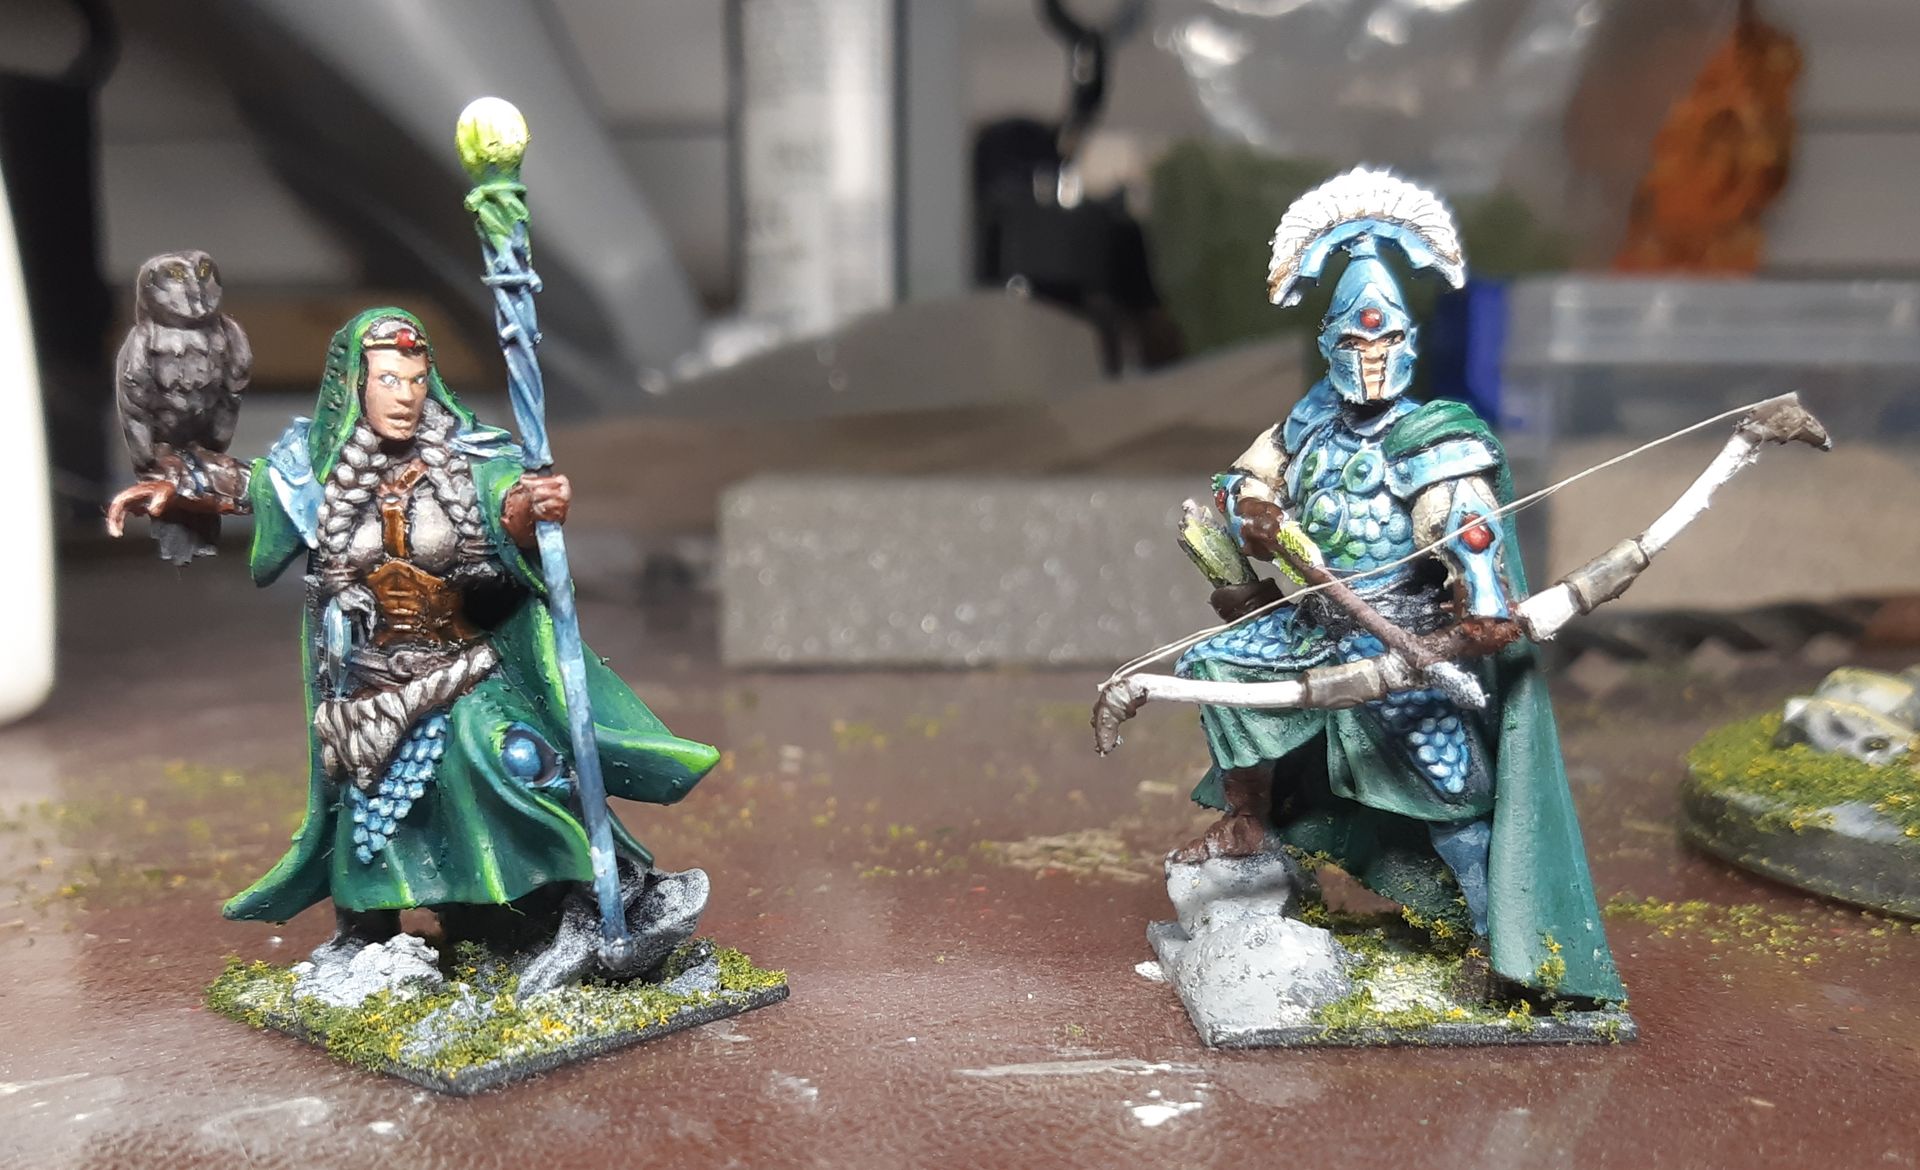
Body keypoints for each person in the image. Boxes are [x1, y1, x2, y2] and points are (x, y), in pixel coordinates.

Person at [109, 308, 718, 976]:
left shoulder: (471, 458)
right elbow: (255, 484)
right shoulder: (318, 469)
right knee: (370, 816)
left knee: (518, 761)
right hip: (369, 686)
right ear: (356, 385)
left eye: (417, 379)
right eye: (389, 380)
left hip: (463, 669)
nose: (405, 395)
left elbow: (506, 505)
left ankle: (592, 898)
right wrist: (180, 486)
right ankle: (367, 936)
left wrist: (532, 507)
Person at [1171, 171, 1625, 1005]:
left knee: (1452, 797)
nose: (1371, 359)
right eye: (1354, 343)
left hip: (1403, 649)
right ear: (1329, 342)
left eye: (1385, 343)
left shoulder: (1435, 445)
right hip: (1313, 627)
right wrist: (1254, 510)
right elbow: (1239, 480)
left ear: (1410, 343)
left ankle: (1501, 945)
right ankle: (1251, 820)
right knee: (1219, 670)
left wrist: (1474, 607)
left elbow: (1480, 575)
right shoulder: (1312, 420)